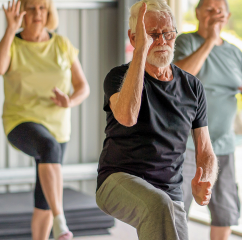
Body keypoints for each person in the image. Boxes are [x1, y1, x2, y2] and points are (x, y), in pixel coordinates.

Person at [95, 0, 218, 239]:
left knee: (166, 215)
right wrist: (141, 50)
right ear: (134, 38)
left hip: (169, 192)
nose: (162, 41)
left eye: (168, 33)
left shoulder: (192, 87)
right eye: (152, 35)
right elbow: (127, 117)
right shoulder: (118, 77)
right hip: (117, 180)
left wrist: (206, 179)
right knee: (157, 204)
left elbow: (206, 151)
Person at [0, 0, 89, 239]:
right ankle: (61, 222)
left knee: (44, 197)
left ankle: (47, 229)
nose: (38, 13)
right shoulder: (13, 44)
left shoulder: (61, 44)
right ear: (22, 13)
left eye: (42, 8)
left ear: (49, 12)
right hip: (20, 121)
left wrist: (70, 101)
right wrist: (10, 30)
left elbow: (83, 86)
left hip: (58, 127)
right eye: (31, 8)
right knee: (48, 147)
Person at [173, 0, 242, 239]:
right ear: (197, 13)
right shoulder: (186, 42)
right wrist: (210, 41)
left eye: (219, 11)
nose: (213, 14)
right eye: (208, 10)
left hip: (222, 144)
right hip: (188, 145)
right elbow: (180, 78)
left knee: (225, 210)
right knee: (176, 208)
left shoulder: (235, 53)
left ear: (227, 16)